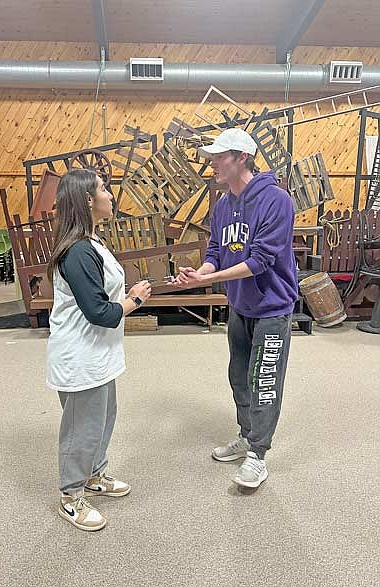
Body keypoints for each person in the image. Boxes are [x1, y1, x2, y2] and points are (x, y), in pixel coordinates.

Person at [174, 128, 298, 489]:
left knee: (264, 381)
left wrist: (206, 282)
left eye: (218, 157)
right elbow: (216, 252)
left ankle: (258, 455)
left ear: (242, 157)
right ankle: (246, 435)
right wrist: (201, 272)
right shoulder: (224, 204)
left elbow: (260, 260)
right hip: (240, 305)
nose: (211, 163)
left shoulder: (276, 201)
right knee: (239, 376)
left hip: (272, 307)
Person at [46, 168, 151, 530]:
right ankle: (71, 496)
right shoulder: (76, 252)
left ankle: (94, 475)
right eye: (104, 189)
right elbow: (100, 313)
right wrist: (134, 300)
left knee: (103, 420)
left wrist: (126, 298)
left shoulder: (93, 243)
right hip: (80, 356)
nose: (110, 194)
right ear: (88, 200)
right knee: (82, 428)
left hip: (99, 355)